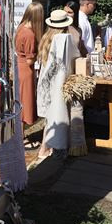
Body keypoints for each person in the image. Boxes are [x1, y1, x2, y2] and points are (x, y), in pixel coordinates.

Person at [36, 10, 79, 160]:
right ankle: (48, 147)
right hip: (57, 82)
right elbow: (74, 57)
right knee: (56, 114)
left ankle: (44, 148)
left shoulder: (46, 38)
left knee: (49, 116)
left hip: (47, 81)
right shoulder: (63, 40)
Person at [15, 2, 44, 149]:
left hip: (19, 68)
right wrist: (40, 52)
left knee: (20, 103)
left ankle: (19, 137)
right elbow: (29, 59)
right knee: (24, 105)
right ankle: (20, 139)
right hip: (26, 70)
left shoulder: (21, 28)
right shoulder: (30, 34)